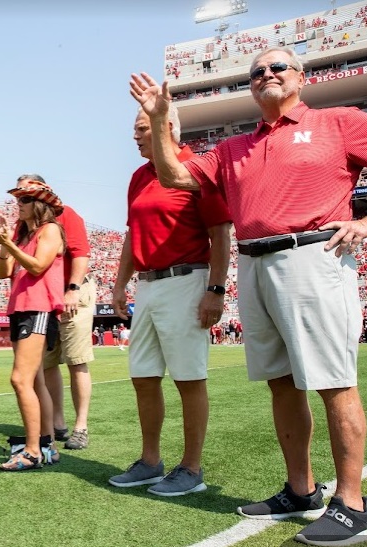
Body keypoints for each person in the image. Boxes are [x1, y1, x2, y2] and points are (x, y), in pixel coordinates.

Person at [130, 46, 367, 545]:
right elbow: (175, 176)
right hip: (254, 261)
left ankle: (353, 505)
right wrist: (160, 121)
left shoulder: (339, 122)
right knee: (281, 383)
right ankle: (300, 489)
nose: (266, 73)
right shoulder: (233, 147)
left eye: (277, 67)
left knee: (333, 381)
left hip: (312, 253)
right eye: (257, 70)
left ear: (301, 78)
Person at [108, 105, 232, 497]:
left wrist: (215, 290)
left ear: (169, 128)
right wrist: (119, 284)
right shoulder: (139, 178)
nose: (136, 135)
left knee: (188, 378)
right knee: (143, 376)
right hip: (148, 284)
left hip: (186, 279)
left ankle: (191, 468)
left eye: (143, 127)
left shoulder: (195, 168)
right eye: (135, 128)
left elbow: (220, 233)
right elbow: (132, 234)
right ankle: (149, 461)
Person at [0, 176, 66, 470]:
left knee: (20, 379)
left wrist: (8, 242)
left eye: (24, 199)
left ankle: (32, 450)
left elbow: (37, 266)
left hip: (38, 308)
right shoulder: (25, 235)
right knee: (34, 379)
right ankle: (46, 446)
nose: (18, 204)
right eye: (18, 199)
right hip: (22, 308)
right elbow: (3, 272)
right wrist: (5, 245)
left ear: (40, 204)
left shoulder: (51, 230)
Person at [39, 191, 97, 451]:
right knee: (48, 363)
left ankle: (81, 427)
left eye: (26, 197)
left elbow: (80, 252)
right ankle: (57, 422)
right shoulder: (25, 223)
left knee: (76, 361)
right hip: (45, 298)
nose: (21, 203)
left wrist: (72, 288)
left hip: (72, 293)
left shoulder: (66, 214)